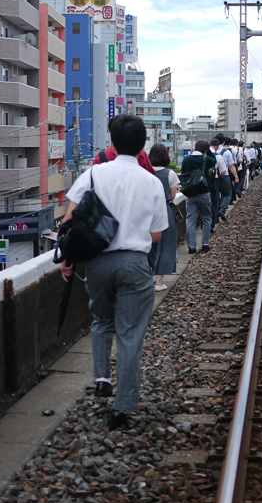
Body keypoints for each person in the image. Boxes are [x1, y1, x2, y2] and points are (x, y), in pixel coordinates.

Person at [60, 116, 168, 431]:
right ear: (142, 144)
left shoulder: (93, 174)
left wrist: (69, 258)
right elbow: (157, 233)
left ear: (112, 141)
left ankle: (103, 379)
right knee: (131, 334)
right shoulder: (151, 182)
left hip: (97, 262)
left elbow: (70, 220)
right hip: (135, 265)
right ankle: (123, 408)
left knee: (102, 319)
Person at [149, 143, 179, 292]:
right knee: (166, 243)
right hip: (164, 210)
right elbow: (173, 196)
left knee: (148, 245)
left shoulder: (146, 172)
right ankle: (159, 282)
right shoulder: (170, 174)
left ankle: (149, 277)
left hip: (147, 210)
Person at [181, 140, 215, 253]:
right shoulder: (206, 159)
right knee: (206, 218)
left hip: (190, 194)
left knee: (191, 219)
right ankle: (205, 244)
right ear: (205, 150)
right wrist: (209, 151)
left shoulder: (186, 160)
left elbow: (183, 175)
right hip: (204, 192)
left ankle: (191, 247)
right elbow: (214, 160)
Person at [209, 138, 228, 227]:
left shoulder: (203, 155)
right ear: (217, 146)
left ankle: (204, 225)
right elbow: (223, 172)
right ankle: (213, 223)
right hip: (214, 180)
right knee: (214, 201)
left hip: (203, 181)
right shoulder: (218, 156)